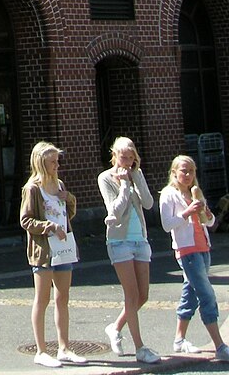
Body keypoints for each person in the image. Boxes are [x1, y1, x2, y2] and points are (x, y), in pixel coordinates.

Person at [20, 141, 86, 367]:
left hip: (63, 247)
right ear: (41, 163)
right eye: (52, 162)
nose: (57, 165)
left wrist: (69, 199)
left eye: (57, 161)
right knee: (43, 298)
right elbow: (25, 220)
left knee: (63, 297)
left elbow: (68, 213)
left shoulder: (58, 184)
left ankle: (64, 347)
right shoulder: (32, 189)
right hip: (44, 251)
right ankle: (41, 350)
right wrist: (48, 227)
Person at [158, 153, 229, 361]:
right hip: (187, 250)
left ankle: (179, 340)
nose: (188, 174)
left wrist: (206, 213)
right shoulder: (169, 194)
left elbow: (210, 222)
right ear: (174, 172)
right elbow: (166, 224)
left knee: (190, 293)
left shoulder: (194, 192)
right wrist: (188, 212)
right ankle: (220, 345)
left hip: (203, 247)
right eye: (183, 170)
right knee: (207, 295)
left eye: (191, 171)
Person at [99, 136, 159, 364]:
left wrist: (136, 178)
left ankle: (115, 328)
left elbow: (148, 204)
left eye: (130, 157)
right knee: (131, 295)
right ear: (114, 155)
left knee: (143, 295)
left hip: (140, 238)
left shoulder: (137, 174)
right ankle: (140, 348)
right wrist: (123, 185)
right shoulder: (105, 178)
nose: (126, 162)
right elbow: (114, 208)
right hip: (119, 241)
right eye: (122, 157)